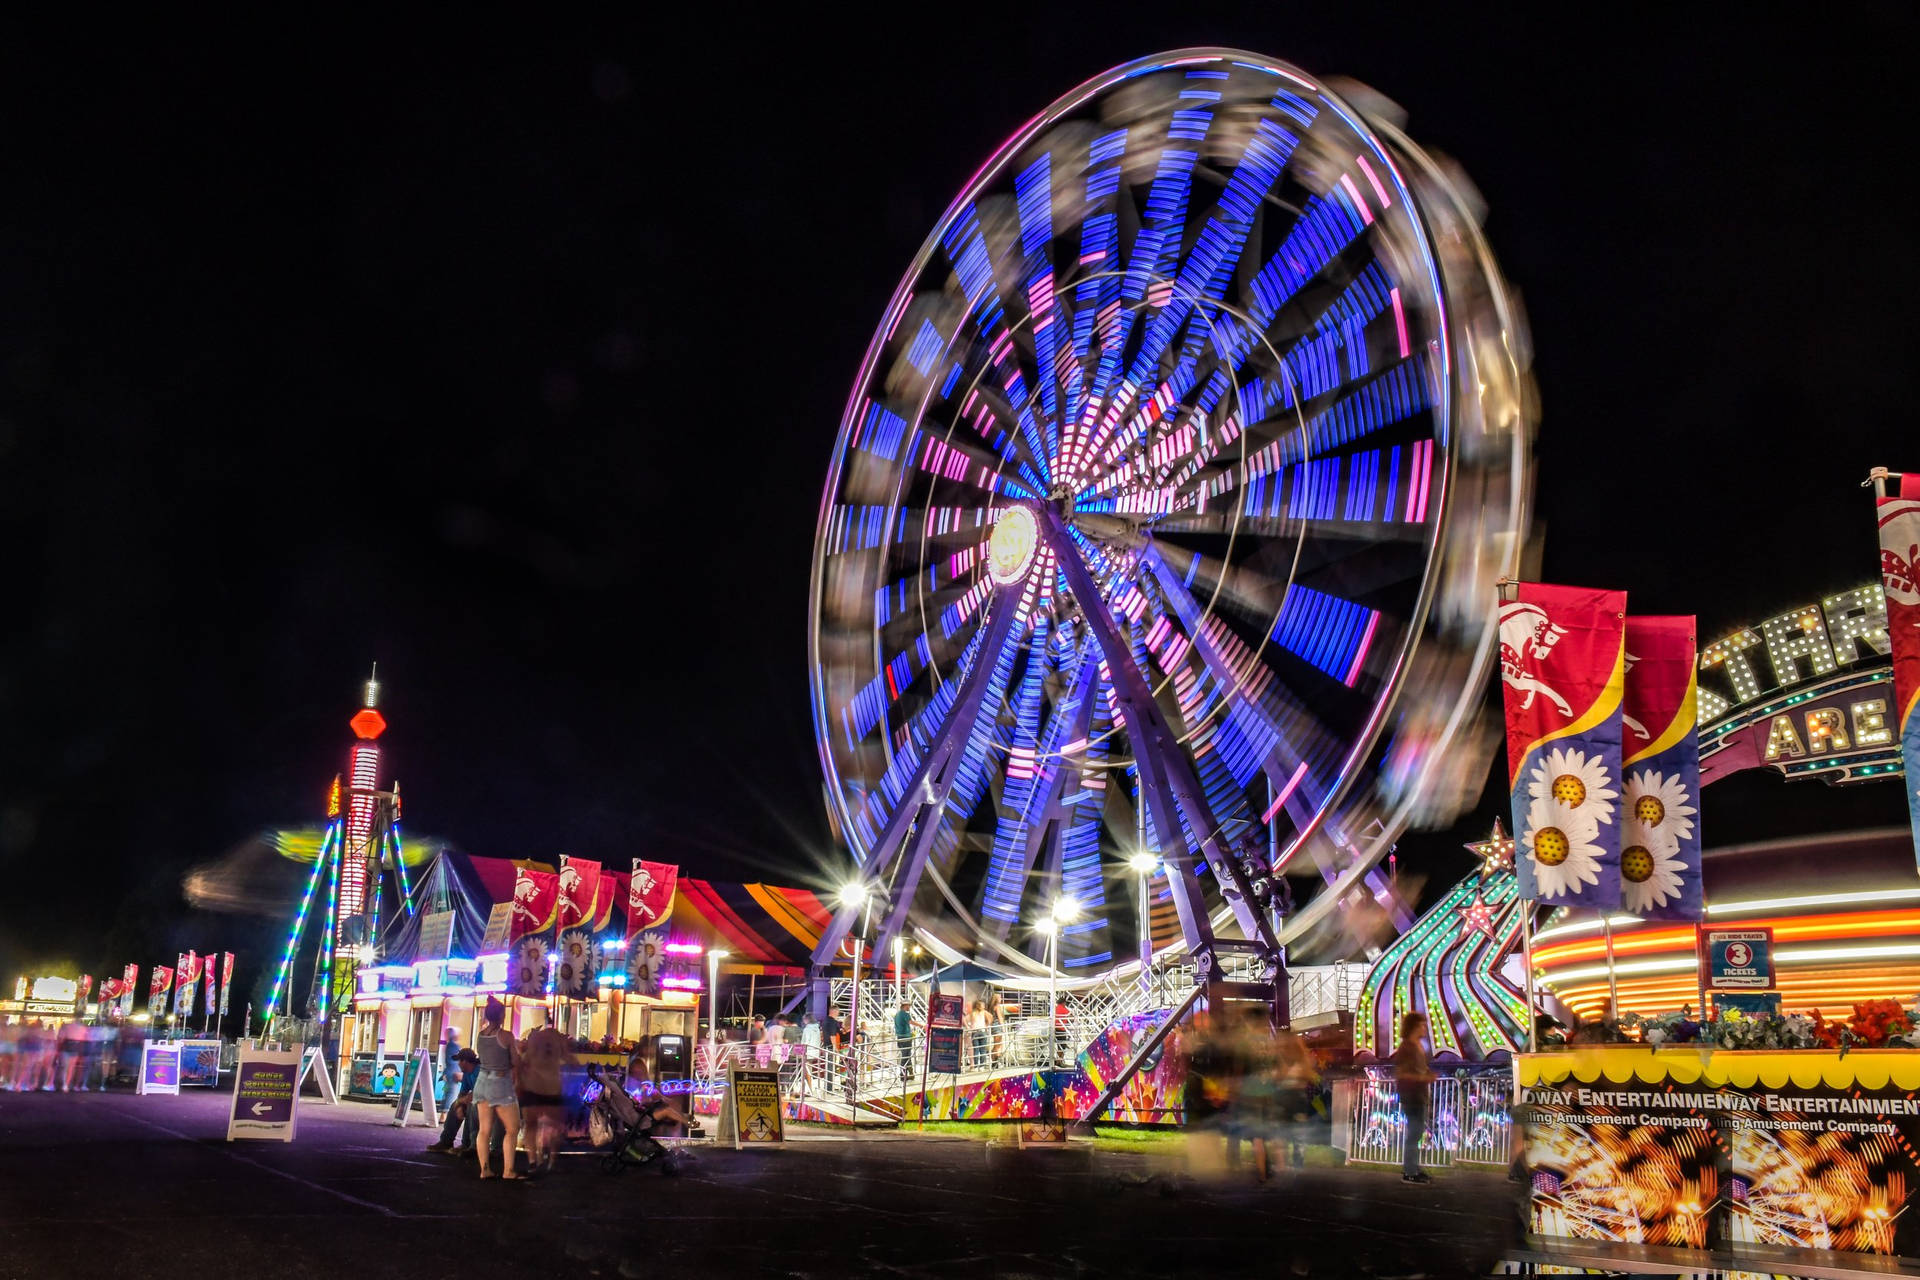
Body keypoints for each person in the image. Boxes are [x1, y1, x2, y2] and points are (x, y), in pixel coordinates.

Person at [518, 1015, 578, 1176]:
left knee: (530, 1126)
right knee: (555, 1126)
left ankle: (533, 1161)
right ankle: (551, 1159)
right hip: (552, 1087)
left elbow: (524, 1061)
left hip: (532, 1086)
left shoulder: (534, 1038)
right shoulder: (558, 1040)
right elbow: (571, 1060)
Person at [471, 998, 523, 1180]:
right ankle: (508, 1171)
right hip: (500, 1083)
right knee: (512, 1128)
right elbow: (515, 1061)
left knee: (484, 1130)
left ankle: (484, 1169)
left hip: (482, 1082)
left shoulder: (480, 1035)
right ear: (501, 1015)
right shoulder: (507, 1036)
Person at [1390, 1011, 1436, 1185]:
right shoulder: (1406, 1047)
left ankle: (1413, 1168)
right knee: (1414, 1132)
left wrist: (1427, 1075)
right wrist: (1423, 1078)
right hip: (1411, 1095)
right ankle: (1409, 1171)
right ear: (1414, 1027)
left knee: (1417, 1133)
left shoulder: (1418, 1046)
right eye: (1422, 1024)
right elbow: (1402, 1073)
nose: (1425, 1028)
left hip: (1419, 1094)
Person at [428, 1047, 481, 1155]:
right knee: (455, 1106)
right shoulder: (467, 1073)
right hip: (475, 1099)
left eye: (459, 1061)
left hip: (486, 1102)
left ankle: (469, 1145)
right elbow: (463, 1093)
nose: (458, 1064)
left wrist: (461, 1102)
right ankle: (446, 1142)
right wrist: (459, 1105)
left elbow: (475, 1094)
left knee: (471, 1106)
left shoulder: (478, 1070)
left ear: (465, 1061)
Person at [892, 1003, 913, 1078]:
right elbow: (911, 1022)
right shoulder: (905, 1014)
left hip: (900, 1038)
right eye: (908, 1006)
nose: (909, 1007)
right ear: (904, 1006)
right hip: (906, 1038)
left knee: (907, 1055)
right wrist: (922, 1026)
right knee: (906, 1056)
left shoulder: (897, 1014)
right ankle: (902, 1074)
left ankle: (910, 1073)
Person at [968, 999, 990, 1071]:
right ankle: (982, 1066)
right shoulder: (984, 1012)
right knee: (982, 1050)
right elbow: (990, 1019)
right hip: (982, 1031)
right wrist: (986, 1026)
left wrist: (969, 1027)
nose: (983, 1006)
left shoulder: (973, 1013)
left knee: (976, 1050)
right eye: (983, 1005)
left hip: (975, 1032)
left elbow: (965, 1020)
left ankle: (976, 1066)